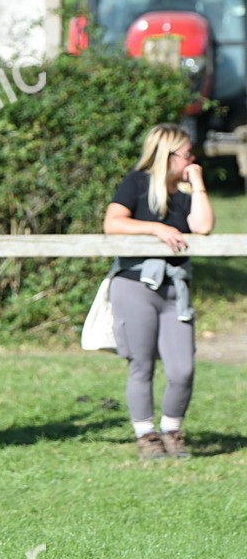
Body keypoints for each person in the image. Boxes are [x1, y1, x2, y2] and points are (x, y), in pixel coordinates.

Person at [103, 123, 215, 461]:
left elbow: (204, 226)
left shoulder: (186, 193)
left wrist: (197, 184)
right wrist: (157, 229)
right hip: (135, 285)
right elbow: (113, 223)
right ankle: (146, 436)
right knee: (142, 364)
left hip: (174, 288)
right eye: (187, 154)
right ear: (167, 155)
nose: (192, 159)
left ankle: (172, 430)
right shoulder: (136, 183)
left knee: (183, 368)